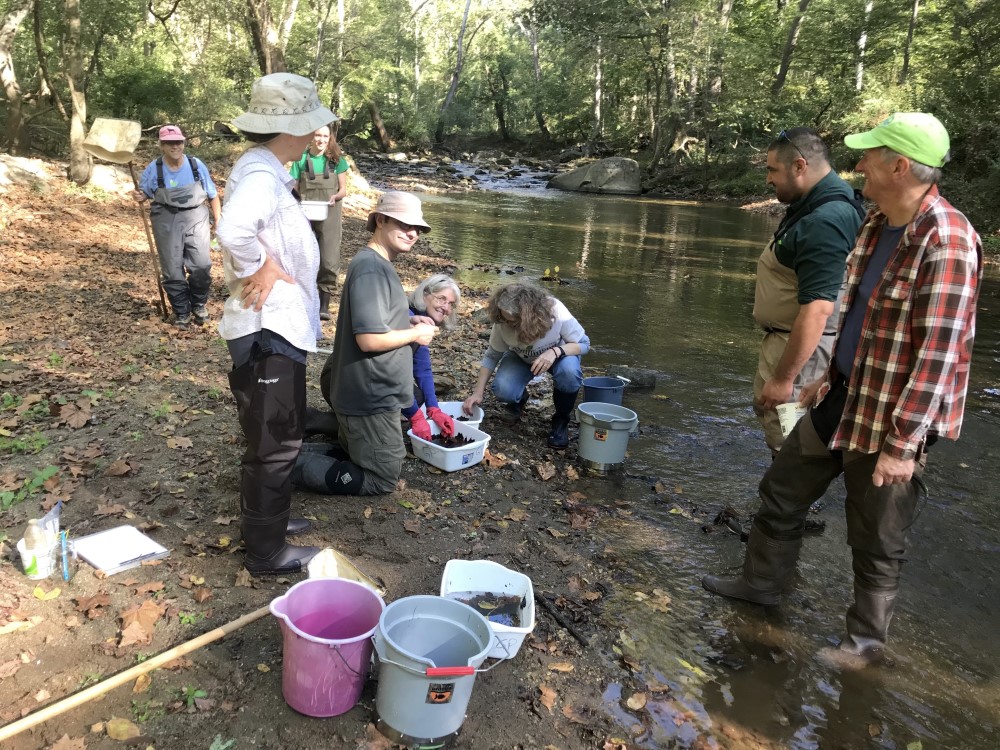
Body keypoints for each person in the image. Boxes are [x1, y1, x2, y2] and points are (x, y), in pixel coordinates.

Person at [702, 112, 982, 670]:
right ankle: (761, 585)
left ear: (900, 166)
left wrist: (904, 445)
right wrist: (827, 376)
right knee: (782, 490)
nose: (860, 168)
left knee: (878, 536)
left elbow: (938, 355)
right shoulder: (877, 223)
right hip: (843, 395)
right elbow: (856, 314)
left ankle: (865, 647)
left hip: (892, 419)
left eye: (870, 158)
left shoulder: (947, 240)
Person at [216, 73, 337, 575]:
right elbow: (233, 229)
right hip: (269, 329)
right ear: (290, 128)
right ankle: (266, 552)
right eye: (309, 124)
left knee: (271, 434)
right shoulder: (263, 178)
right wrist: (256, 267)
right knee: (276, 441)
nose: (315, 133)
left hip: (270, 326)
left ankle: (271, 521)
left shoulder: (262, 169)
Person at [292, 191, 438, 496]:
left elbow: (375, 323)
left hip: (367, 392)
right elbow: (368, 340)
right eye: (404, 224)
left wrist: (406, 322)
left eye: (418, 229)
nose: (413, 233)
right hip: (368, 397)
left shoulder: (376, 264)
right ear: (380, 220)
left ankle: (283, 457)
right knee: (382, 477)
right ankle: (282, 467)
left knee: (355, 455)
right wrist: (414, 335)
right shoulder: (371, 268)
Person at [753, 128, 865, 456]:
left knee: (792, 436)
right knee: (786, 430)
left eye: (773, 170)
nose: (768, 179)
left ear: (800, 166)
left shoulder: (825, 220)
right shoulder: (813, 205)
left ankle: (791, 503)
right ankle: (786, 498)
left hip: (803, 353)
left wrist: (783, 378)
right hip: (795, 344)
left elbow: (817, 309)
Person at [462, 283, 590, 449]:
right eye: (503, 319)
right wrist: (477, 393)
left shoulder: (556, 311)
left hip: (560, 355)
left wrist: (555, 352)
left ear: (530, 316)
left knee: (570, 373)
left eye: (512, 321)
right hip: (521, 359)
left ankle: (561, 420)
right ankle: (519, 399)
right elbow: (492, 357)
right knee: (503, 389)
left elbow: (584, 344)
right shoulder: (502, 322)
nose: (506, 324)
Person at [134, 125, 222, 329]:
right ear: (162, 145)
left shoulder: (195, 165)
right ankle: (182, 311)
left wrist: (218, 220)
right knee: (172, 269)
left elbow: (212, 194)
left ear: (183, 143)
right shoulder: (154, 168)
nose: (175, 146)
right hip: (165, 218)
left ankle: (198, 304)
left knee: (201, 265)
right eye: (169, 143)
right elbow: (144, 194)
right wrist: (139, 196)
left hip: (196, 215)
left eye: (178, 142)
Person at [288, 125, 349, 321]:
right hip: (305, 212)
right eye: (317, 135)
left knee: (328, 258)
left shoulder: (337, 161)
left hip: (329, 212)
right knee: (302, 255)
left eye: (325, 136)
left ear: (329, 138)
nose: (321, 140)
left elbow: (343, 190)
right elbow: (293, 185)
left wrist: (334, 197)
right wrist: (301, 198)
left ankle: (324, 304)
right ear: (311, 137)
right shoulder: (301, 159)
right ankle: (302, 299)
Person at [404, 274, 461, 442]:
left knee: (419, 397)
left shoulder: (423, 321)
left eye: (450, 304)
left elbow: (423, 369)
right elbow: (392, 374)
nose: (446, 307)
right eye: (441, 299)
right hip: (354, 381)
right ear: (425, 294)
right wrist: (415, 417)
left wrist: (434, 409)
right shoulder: (407, 317)